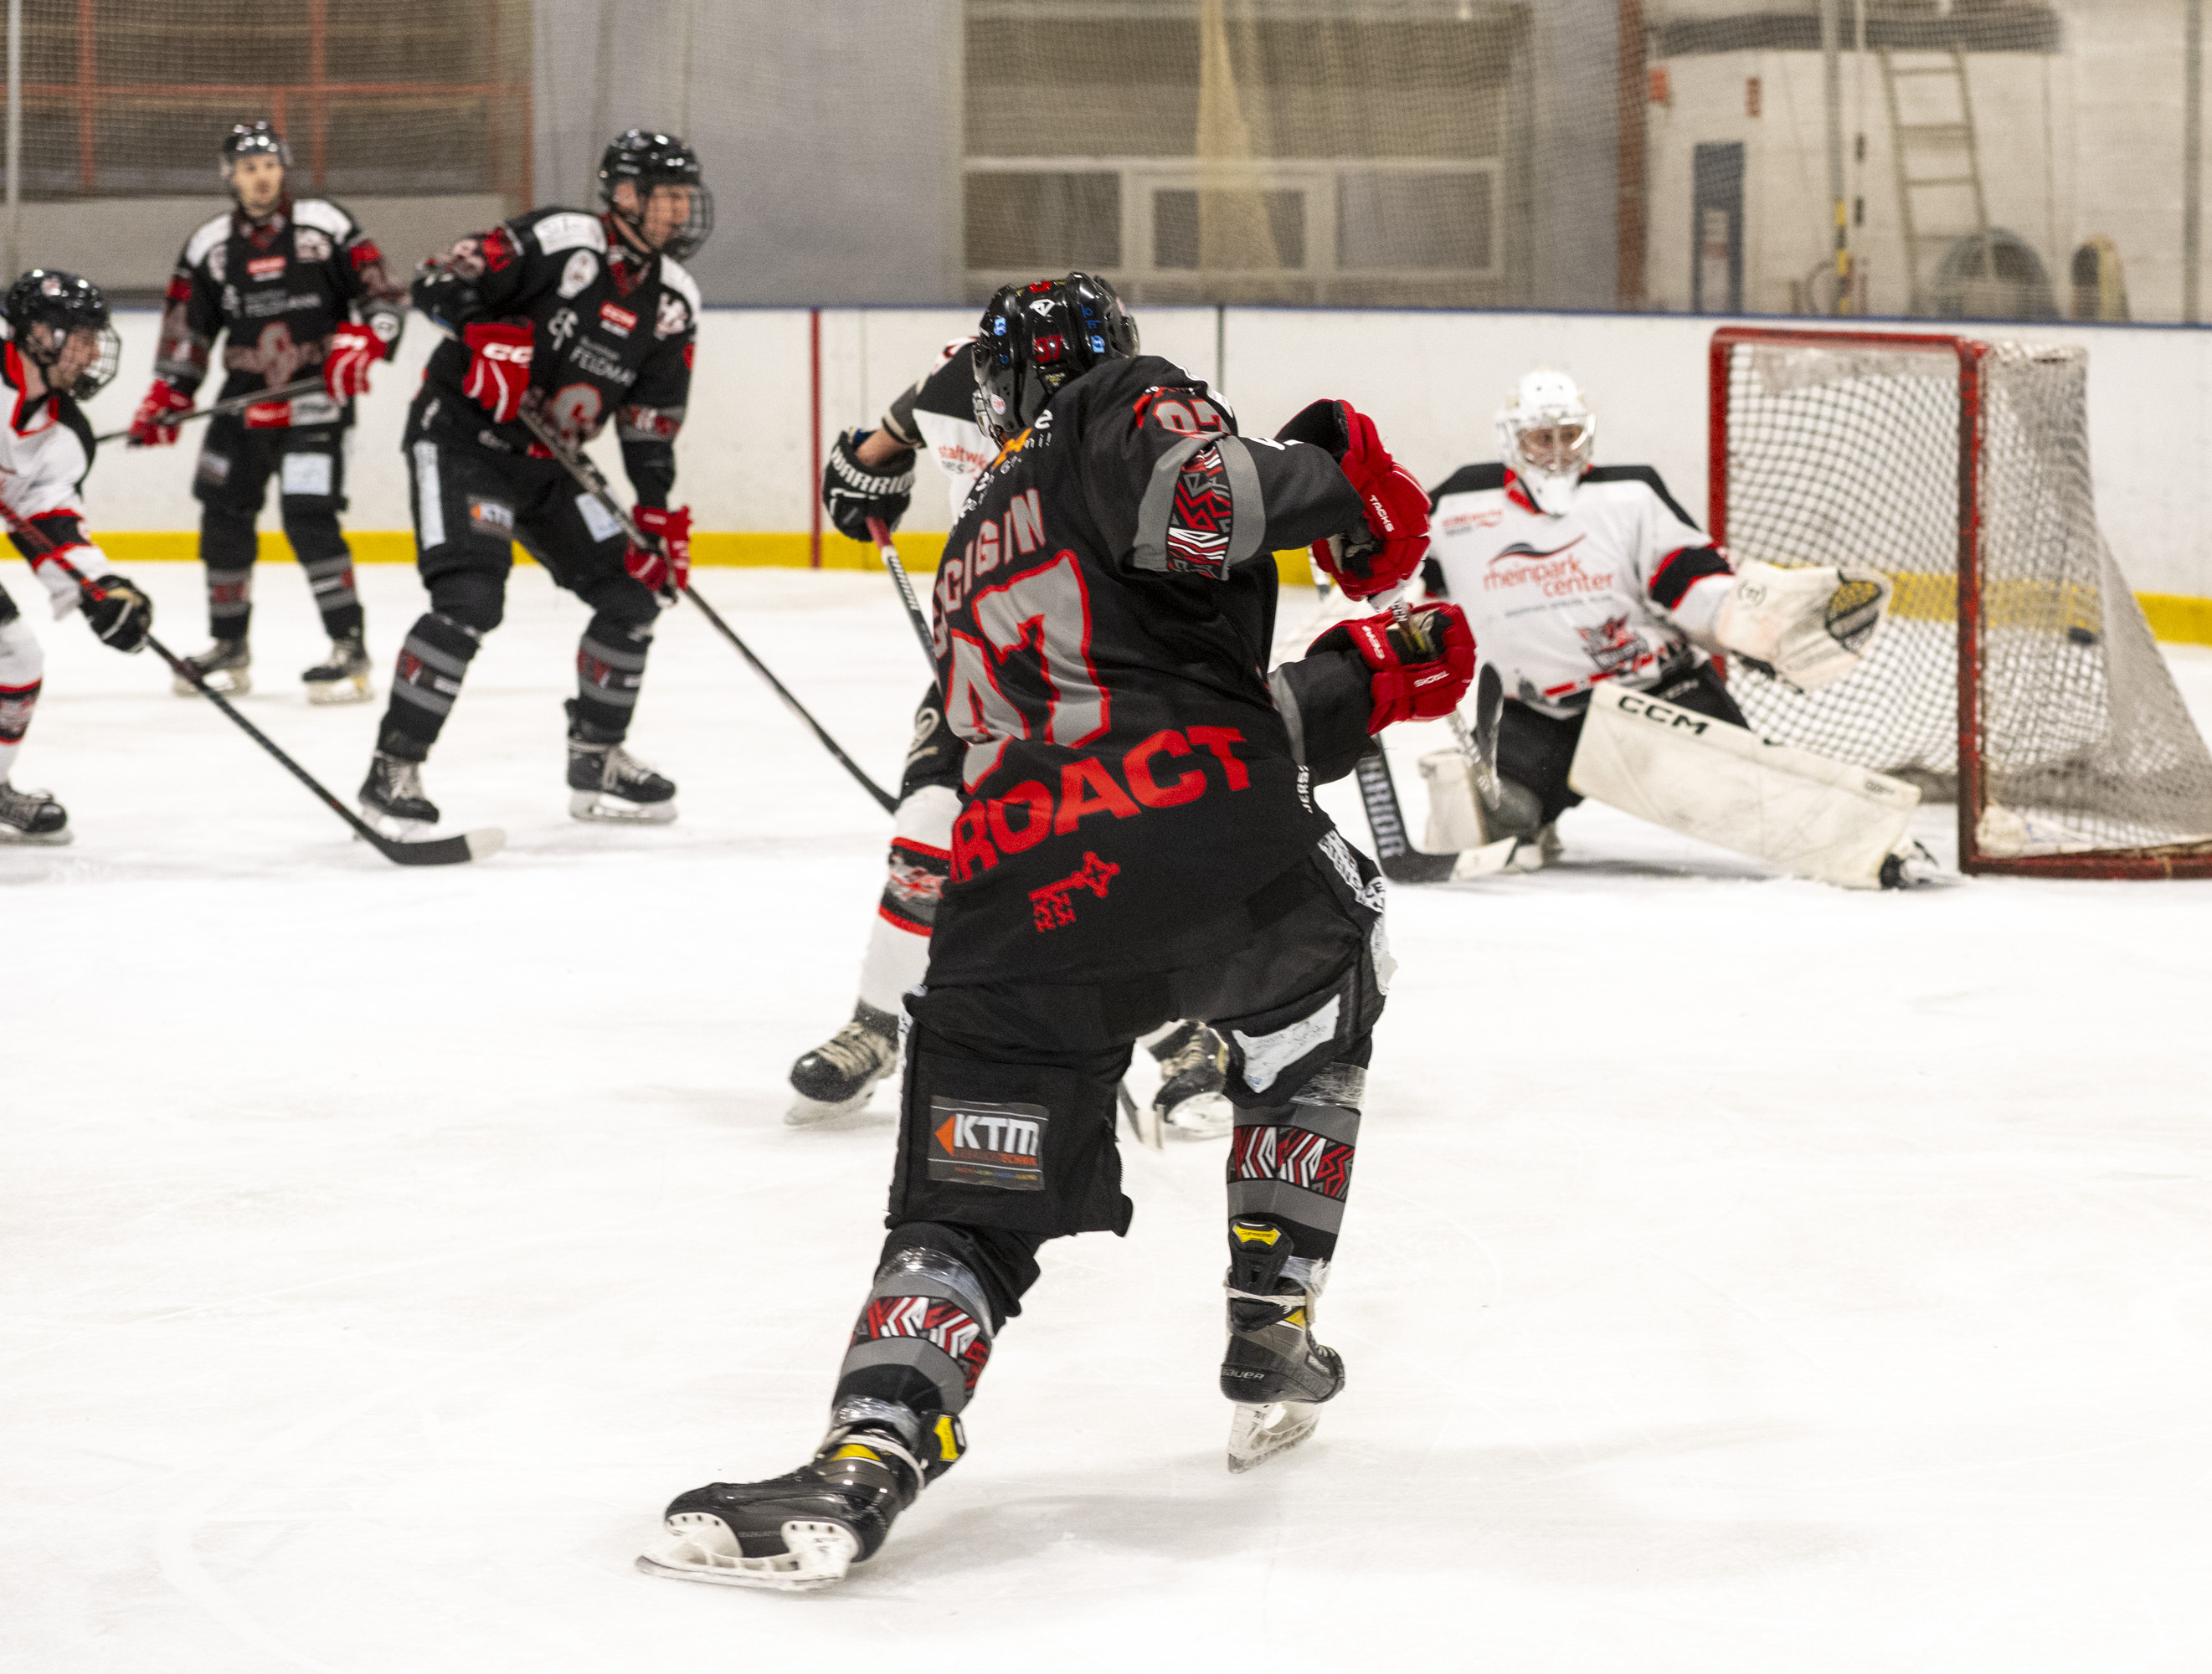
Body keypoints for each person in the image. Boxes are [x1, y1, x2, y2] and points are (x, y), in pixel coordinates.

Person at [638, 273, 1475, 1591]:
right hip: (1207, 852)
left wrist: (1350, 683)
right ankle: (1272, 1312)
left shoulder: (976, 536)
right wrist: (1338, 479)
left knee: (969, 1212)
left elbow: (1131, 704)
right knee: (1338, 956)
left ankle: (868, 1450)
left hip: (1007, 898)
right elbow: (1212, 527)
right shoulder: (1116, 402)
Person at [795, 339, 1232, 1139]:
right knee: (927, 834)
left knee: (1105, 849)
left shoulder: (1139, 416)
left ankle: (1182, 1028)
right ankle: (877, 1025)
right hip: (983, 664)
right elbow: (893, 432)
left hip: (1100, 672)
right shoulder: (966, 373)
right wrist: (870, 468)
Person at [1420, 369, 1906, 879]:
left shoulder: (1630, 493)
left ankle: (1881, 851)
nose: (1559, 451)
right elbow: (1408, 578)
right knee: (1480, 818)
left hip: (1653, 697)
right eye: (1543, 437)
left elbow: (1688, 576)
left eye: (1570, 436)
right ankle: (1531, 821)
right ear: (1512, 439)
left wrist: (1748, 621)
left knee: (1757, 803)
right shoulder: (1459, 505)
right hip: (1534, 716)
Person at [358, 129, 706, 831]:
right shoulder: (560, 239)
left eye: (684, 197)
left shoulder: (674, 301)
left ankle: (597, 755)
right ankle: (393, 768)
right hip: (463, 441)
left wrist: (656, 518)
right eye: (667, 197)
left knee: (635, 590)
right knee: (470, 597)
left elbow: (647, 425)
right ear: (627, 195)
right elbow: (436, 280)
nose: (680, 212)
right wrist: (481, 331)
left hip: (552, 464)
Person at [126, 121, 404, 703]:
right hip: (242, 404)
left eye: (269, 164)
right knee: (222, 517)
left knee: (309, 516)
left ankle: (348, 644)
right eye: (248, 167)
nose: (261, 176)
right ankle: (230, 645)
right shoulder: (210, 246)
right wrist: (169, 394)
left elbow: (383, 296)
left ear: (284, 169)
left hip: (316, 404)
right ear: (230, 176)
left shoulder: (325, 226)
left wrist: (368, 342)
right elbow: (187, 330)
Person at [0, 271, 156, 842]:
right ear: (39, 333)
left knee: (16, 658)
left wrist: (100, 589)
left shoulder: (66, 434)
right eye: (83, 337)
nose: (93, 353)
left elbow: (49, 522)